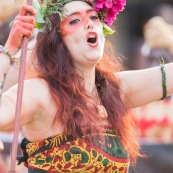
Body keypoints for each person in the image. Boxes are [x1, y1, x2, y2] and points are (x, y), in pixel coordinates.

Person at [1, 0, 173, 172]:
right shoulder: (39, 93)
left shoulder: (116, 89)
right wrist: (8, 50)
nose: (89, 23)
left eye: (93, 17)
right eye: (74, 20)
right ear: (56, 39)